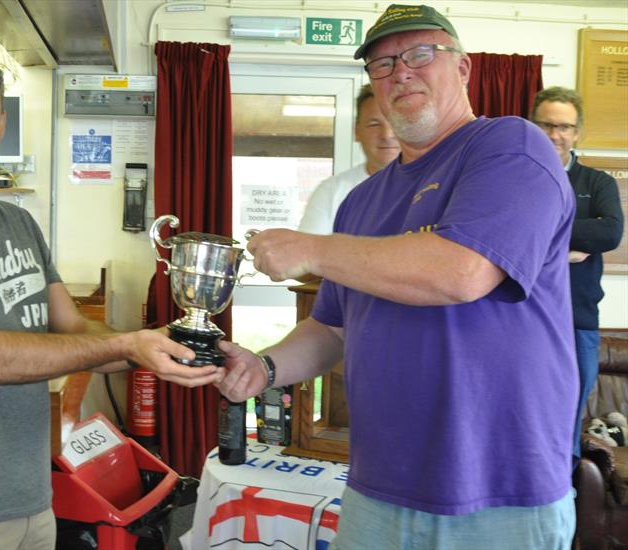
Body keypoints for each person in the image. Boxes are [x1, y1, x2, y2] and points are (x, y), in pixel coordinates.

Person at [216, 4, 578, 549]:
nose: (400, 72)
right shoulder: (362, 202)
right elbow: (333, 329)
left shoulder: (510, 145)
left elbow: (462, 272)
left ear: (463, 68)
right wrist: (263, 369)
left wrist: (312, 249)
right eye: (382, 65)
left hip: (501, 489)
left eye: (420, 54)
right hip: (378, 487)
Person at [0, 49, 221, 550]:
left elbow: (74, 330)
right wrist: (126, 347)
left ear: (2, 121)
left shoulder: (18, 223)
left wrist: (163, 346)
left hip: (33, 502)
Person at [530, 86, 624, 464]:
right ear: (532, 126)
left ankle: (563, 498)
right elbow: (509, 233)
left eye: (565, 127)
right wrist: (560, 251)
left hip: (577, 321)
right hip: (523, 317)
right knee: (526, 410)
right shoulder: (515, 178)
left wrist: (542, 237)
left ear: (577, 132)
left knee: (568, 415)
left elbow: (610, 233)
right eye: (547, 125)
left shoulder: (597, 183)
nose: (556, 134)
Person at [298, 84, 400, 236]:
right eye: (374, 125)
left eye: (395, 123)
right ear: (357, 131)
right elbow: (306, 254)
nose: (386, 135)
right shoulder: (332, 192)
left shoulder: (434, 187)